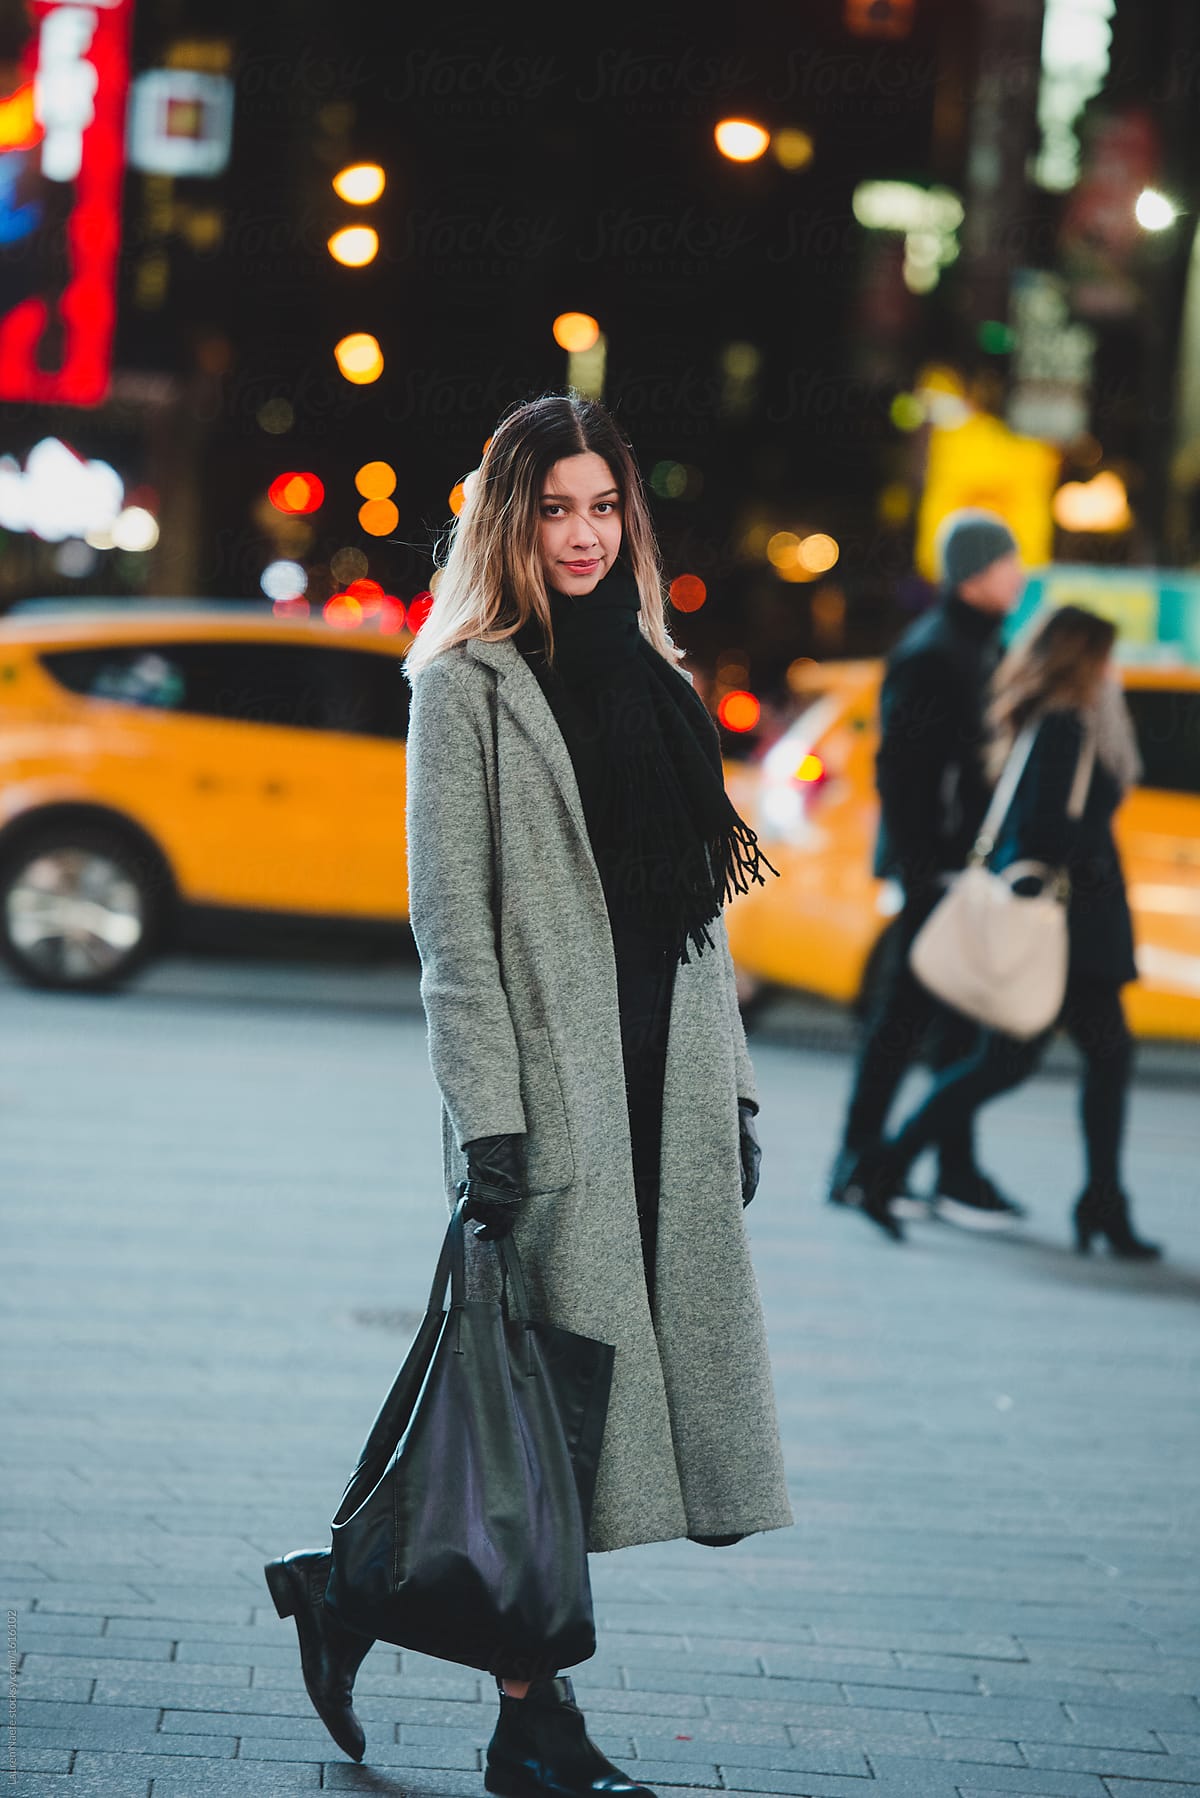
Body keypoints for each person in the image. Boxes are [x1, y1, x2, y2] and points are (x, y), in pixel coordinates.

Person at [263, 393, 794, 1790]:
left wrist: (731, 1091)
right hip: (547, 1097)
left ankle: (354, 1593)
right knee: (552, 1417)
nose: (581, 533)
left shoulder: (662, 678)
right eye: (554, 508)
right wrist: (486, 1123)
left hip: (660, 1084)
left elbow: (703, 918)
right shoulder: (468, 683)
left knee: (565, 1413)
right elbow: (453, 924)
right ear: (510, 521)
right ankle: (529, 1724)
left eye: (602, 506)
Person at [843, 605, 1161, 1261]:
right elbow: (1040, 834)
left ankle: (1099, 1200)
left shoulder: (1045, 721)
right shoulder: (1064, 728)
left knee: (1052, 1060)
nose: (1112, 671)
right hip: (1066, 930)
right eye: (1104, 657)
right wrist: (1088, 855)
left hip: (1072, 928)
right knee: (1029, 1061)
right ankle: (890, 1166)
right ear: (1084, 661)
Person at [828, 509, 1028, 1240]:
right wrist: (931, 868)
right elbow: (905, 773)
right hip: (938, 872)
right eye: (1008, 563)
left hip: (961, 870)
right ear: (975, 572)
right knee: (905, 1020)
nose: (1020, 575)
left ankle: (951, 1170)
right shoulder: (935, 652)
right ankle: (858, 1162)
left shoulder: (977, 645)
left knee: (952, 1020)